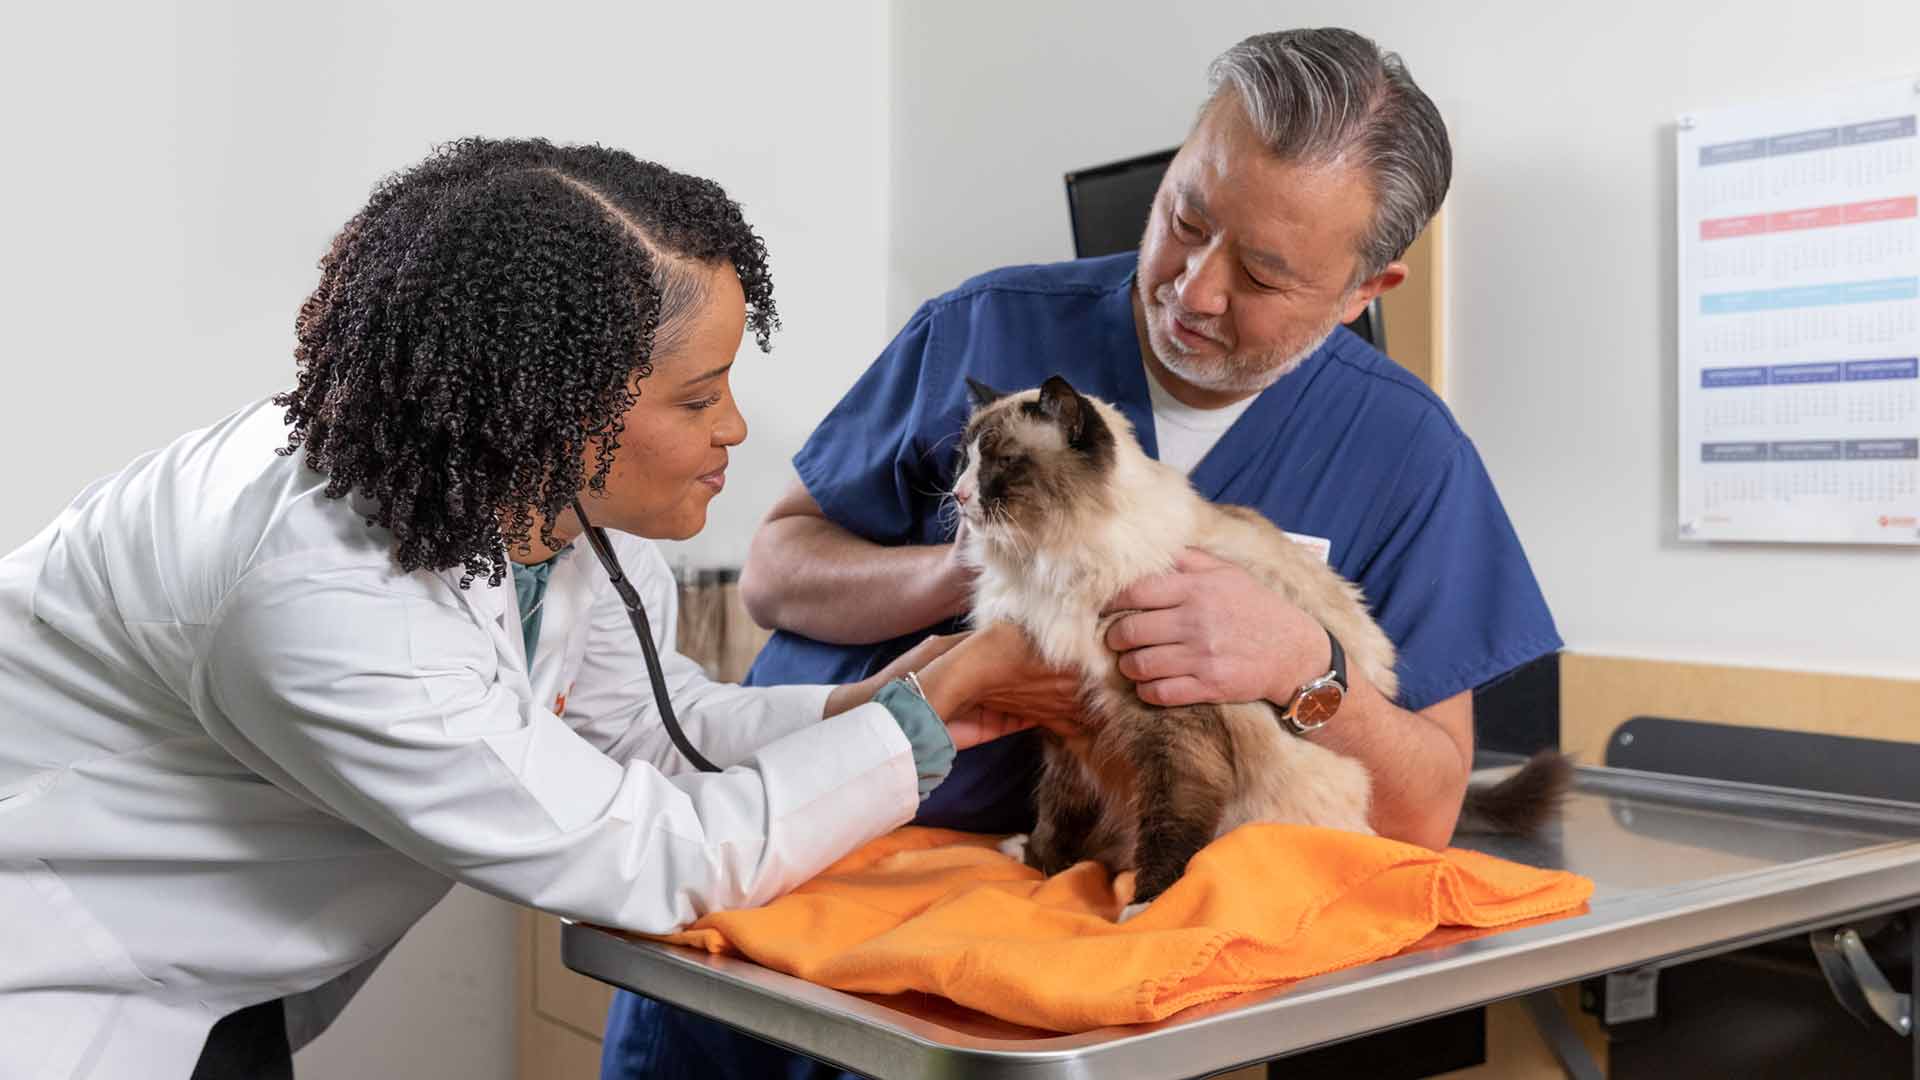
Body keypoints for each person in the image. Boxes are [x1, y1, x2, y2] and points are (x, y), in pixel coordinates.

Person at [0, 137, 1080, 1079]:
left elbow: (645, 732)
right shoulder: (320, 598)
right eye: (698, 397)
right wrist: (924, 718)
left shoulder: (548, 514)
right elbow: (651, 857)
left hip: (204, 971)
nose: (736, 429)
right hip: (54, 971)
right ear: (557, 407)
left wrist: (870, 702)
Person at [601, 27, 1562, 1078]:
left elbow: (1425, 810)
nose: (1193, 288)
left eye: (1261, 273)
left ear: (1364, 290)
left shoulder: (1406, 452)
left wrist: (1302, 665)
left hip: (1027, 968)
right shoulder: (986, 328)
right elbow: (777, 573)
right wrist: (989, 579)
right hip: (778, 878)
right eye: (1184, 219)